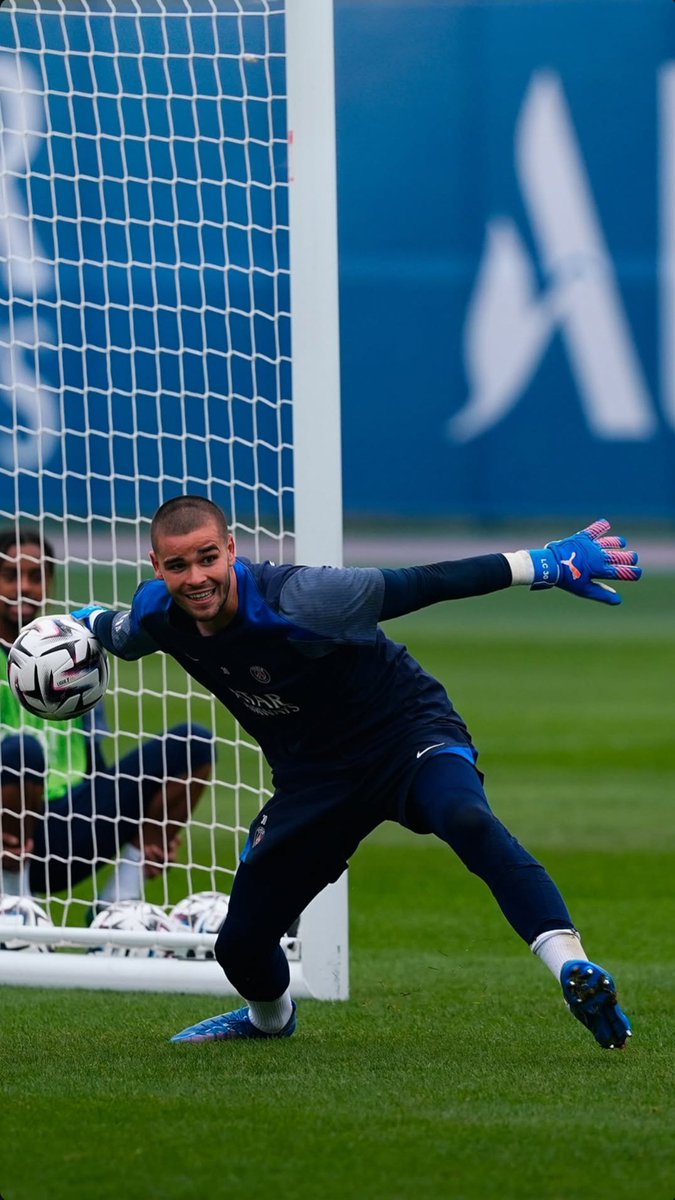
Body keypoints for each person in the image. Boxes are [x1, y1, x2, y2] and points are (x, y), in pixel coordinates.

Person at [74, 496, 641, 1050]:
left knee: (466, 818)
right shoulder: (158, 614)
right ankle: (270, 1021)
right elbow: (116, 632)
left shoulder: (305, 599)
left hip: (406, 735)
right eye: (178, 565)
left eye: (207, 558)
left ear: (231, 549)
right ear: (156, 567)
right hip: (315, 779)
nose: (196, 577)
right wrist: (78, 625)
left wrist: (545, 563)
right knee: (241, 947)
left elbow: (427, 581)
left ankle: (573, 967)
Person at [0, 527, 215, 906]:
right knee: (22, 753)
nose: (24, 588)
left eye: (36, 577)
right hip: (7, 832)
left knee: (191, 745)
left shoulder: (73, 655)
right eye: (11, 575)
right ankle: (13, 907)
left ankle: (116, 906)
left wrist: (152, 817)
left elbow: (94, 763)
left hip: (70, 829)